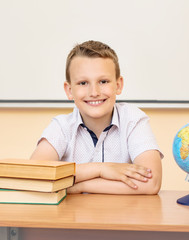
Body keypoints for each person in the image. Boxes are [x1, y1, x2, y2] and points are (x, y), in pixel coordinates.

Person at [30, 40, 163, 194]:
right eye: (83, 83)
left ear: (118, 85)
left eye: (103, 81)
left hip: (122, 216)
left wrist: (78, 186)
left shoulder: (133, 120)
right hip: (72, 217)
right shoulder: (61, 127)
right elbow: (35, 175)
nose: (94, 92)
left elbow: (151, 183)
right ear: (69, 90)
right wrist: (101, 169)